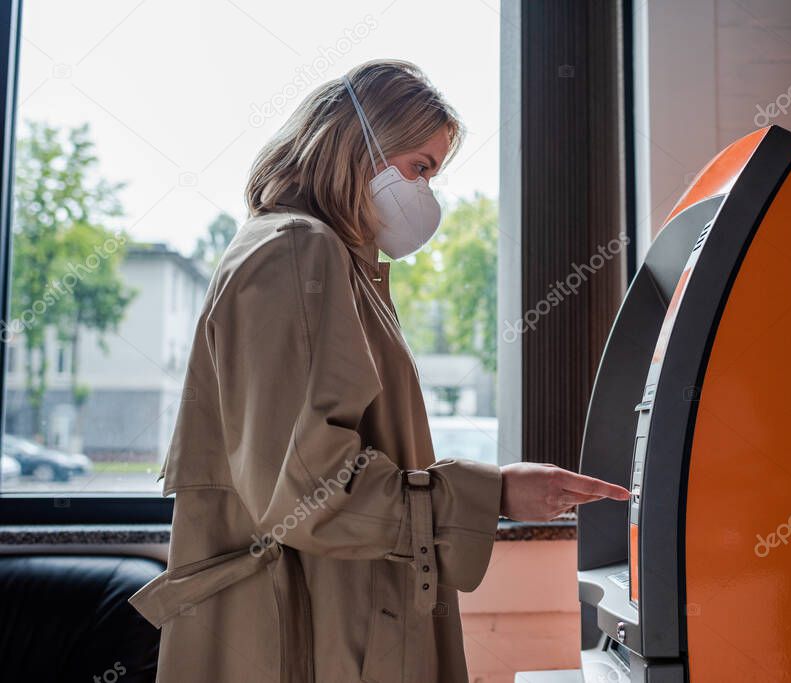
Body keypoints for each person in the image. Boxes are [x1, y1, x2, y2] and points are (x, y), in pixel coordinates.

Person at [128, 59, 630, 682]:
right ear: (357, 144)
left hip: (322, 625)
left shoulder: (326, 260)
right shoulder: (296, 252)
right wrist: (493, 494)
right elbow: (312, 491)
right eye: (420, 167)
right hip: (310, 639)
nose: (426, 195)